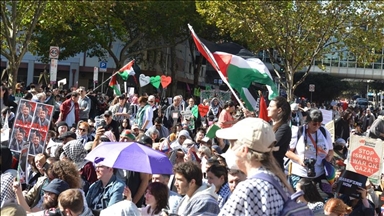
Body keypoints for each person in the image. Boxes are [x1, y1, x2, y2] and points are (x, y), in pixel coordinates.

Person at [216, 118, 294, 216]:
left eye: (232, 145)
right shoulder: (278, 179)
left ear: (244, 150)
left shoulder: (247, 188)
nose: (230, 150)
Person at [286, 109, 334, 189]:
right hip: (300, 173)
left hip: (320, 173)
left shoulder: (324, 132)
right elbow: (287, 152)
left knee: (323, 198)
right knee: (301, 199)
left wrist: (329, 157)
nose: (317, 126)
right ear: (308, 121)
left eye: (320, 123)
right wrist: (299, 159)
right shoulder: (299, 131)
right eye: (314, 124)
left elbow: (331, 150)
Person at [267, 96, 292, 171]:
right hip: (264, 168)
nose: (267, 108)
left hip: (275, 171)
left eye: (270, 106)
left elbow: (270, 145)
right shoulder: (268, 124)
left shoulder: (284, 128)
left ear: (279, 110)